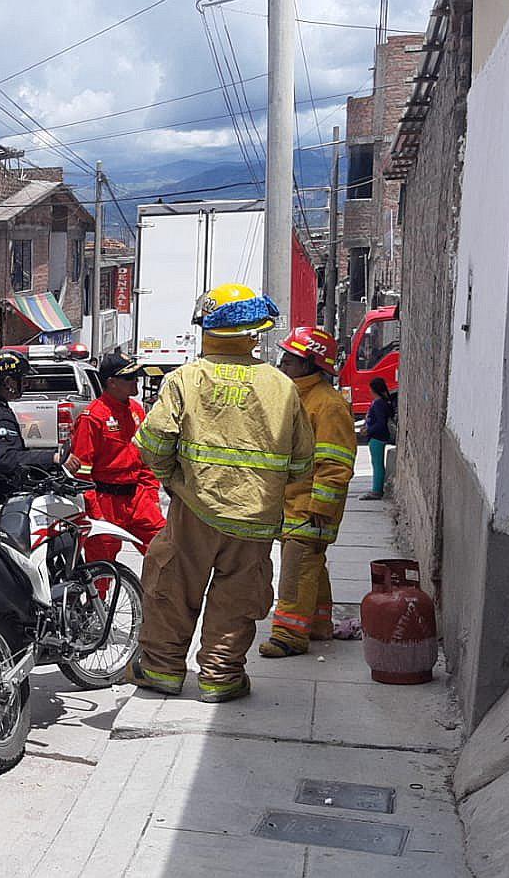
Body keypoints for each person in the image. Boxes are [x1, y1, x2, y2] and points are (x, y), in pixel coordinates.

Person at [130, 284, 314, 704]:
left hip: (195, 507)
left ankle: (161, 669)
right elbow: (303, 461)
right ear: (255, 332)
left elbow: (154, 442)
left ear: (206, 329)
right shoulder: (282, 386)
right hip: (257, 517)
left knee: (172, 584)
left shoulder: (186, 379)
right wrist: (267, 486)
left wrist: (173, 478)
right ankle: (220, 676)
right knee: (239, 594)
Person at [258, 327, 357, 658]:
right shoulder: (298, 397)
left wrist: (320, 507)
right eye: (284, 358)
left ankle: (288, 636)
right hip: (295, 503)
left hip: (311, 506)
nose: (283, 365)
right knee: (310, 564)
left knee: (296, 570)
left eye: (290, 360)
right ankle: (317, 624)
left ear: (311, 364)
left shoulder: (327, 405)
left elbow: (336, 463)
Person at [0, 350, 80, 519]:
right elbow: (7, 458)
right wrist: (52, 458)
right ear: (9, 382)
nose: (25, 385)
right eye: (22, 380)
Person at [71, 352, 166, 559]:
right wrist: (95, 513)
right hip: (106, 501)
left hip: (137, 497)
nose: (136, 382)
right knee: (102, 566)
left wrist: (151, 496)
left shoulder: (136, 410)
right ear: (112, 382)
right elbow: (82, 472)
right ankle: (102, 593)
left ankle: (159, 593)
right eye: (129, 378)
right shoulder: (93, 417)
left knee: (165, 550)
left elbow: (145, 458)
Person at [360, 376, 396, 500]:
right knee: (377, 463)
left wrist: (368, 430)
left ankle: (377, 491)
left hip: (377, 437)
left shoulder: (379, 404)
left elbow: (380, 423)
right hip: (378, 436)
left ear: (373, 390)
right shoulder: (382, 403)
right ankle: (376, 489)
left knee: (377, 464)